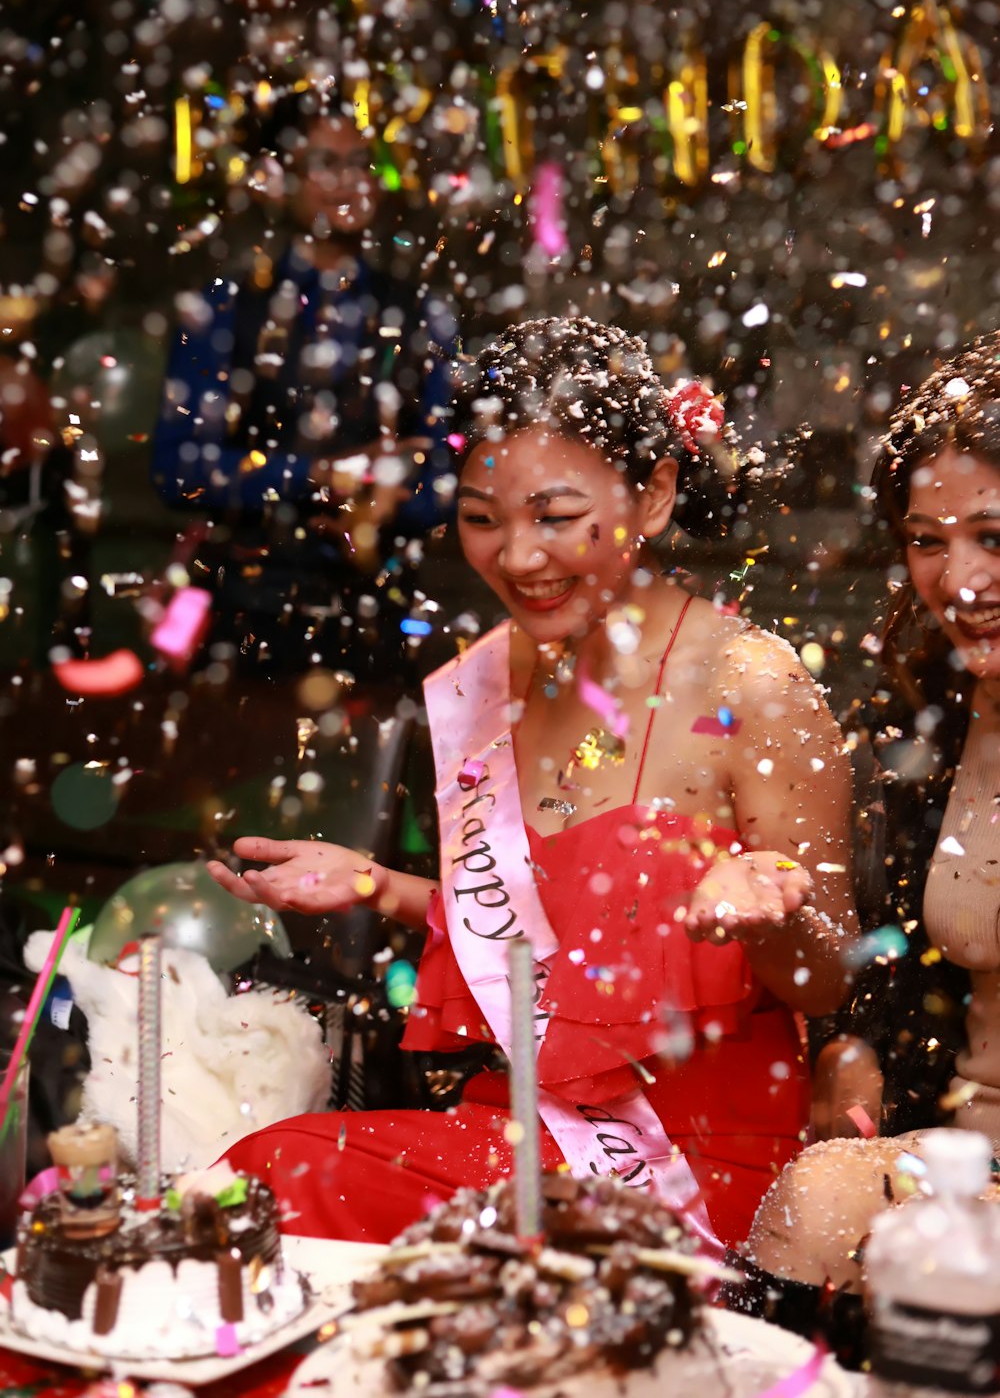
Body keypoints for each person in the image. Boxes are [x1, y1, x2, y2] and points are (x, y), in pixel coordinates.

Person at [207, 315, 856, 1249]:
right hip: (519, 1124)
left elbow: (827, 982)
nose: (516, 557)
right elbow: (552, 946)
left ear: (657, 495)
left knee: (278, 1179)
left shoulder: (755, 687)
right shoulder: (485, 679)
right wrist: (377, 886)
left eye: (555, 517)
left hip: (691, 1157)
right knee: (267, 1181)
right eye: (482, 519)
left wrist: (773, 916)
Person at [740, 331, 1000, 1318]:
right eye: (927, 540)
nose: (959, 580)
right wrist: (848, 1046)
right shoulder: (920, 726)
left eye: (993, 535)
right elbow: (882, 963)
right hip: (954, 1155)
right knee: (815, 1200)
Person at [152, 89, 452, 681]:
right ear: (275, 178)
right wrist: (317, 478)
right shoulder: (226, 307)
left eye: (361, 161)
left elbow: (450, 471)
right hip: (245, 610)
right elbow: (178, 468)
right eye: (324, 163)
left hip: (380, 613)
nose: (349, 181)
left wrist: (390, 504)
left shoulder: (420, 312)